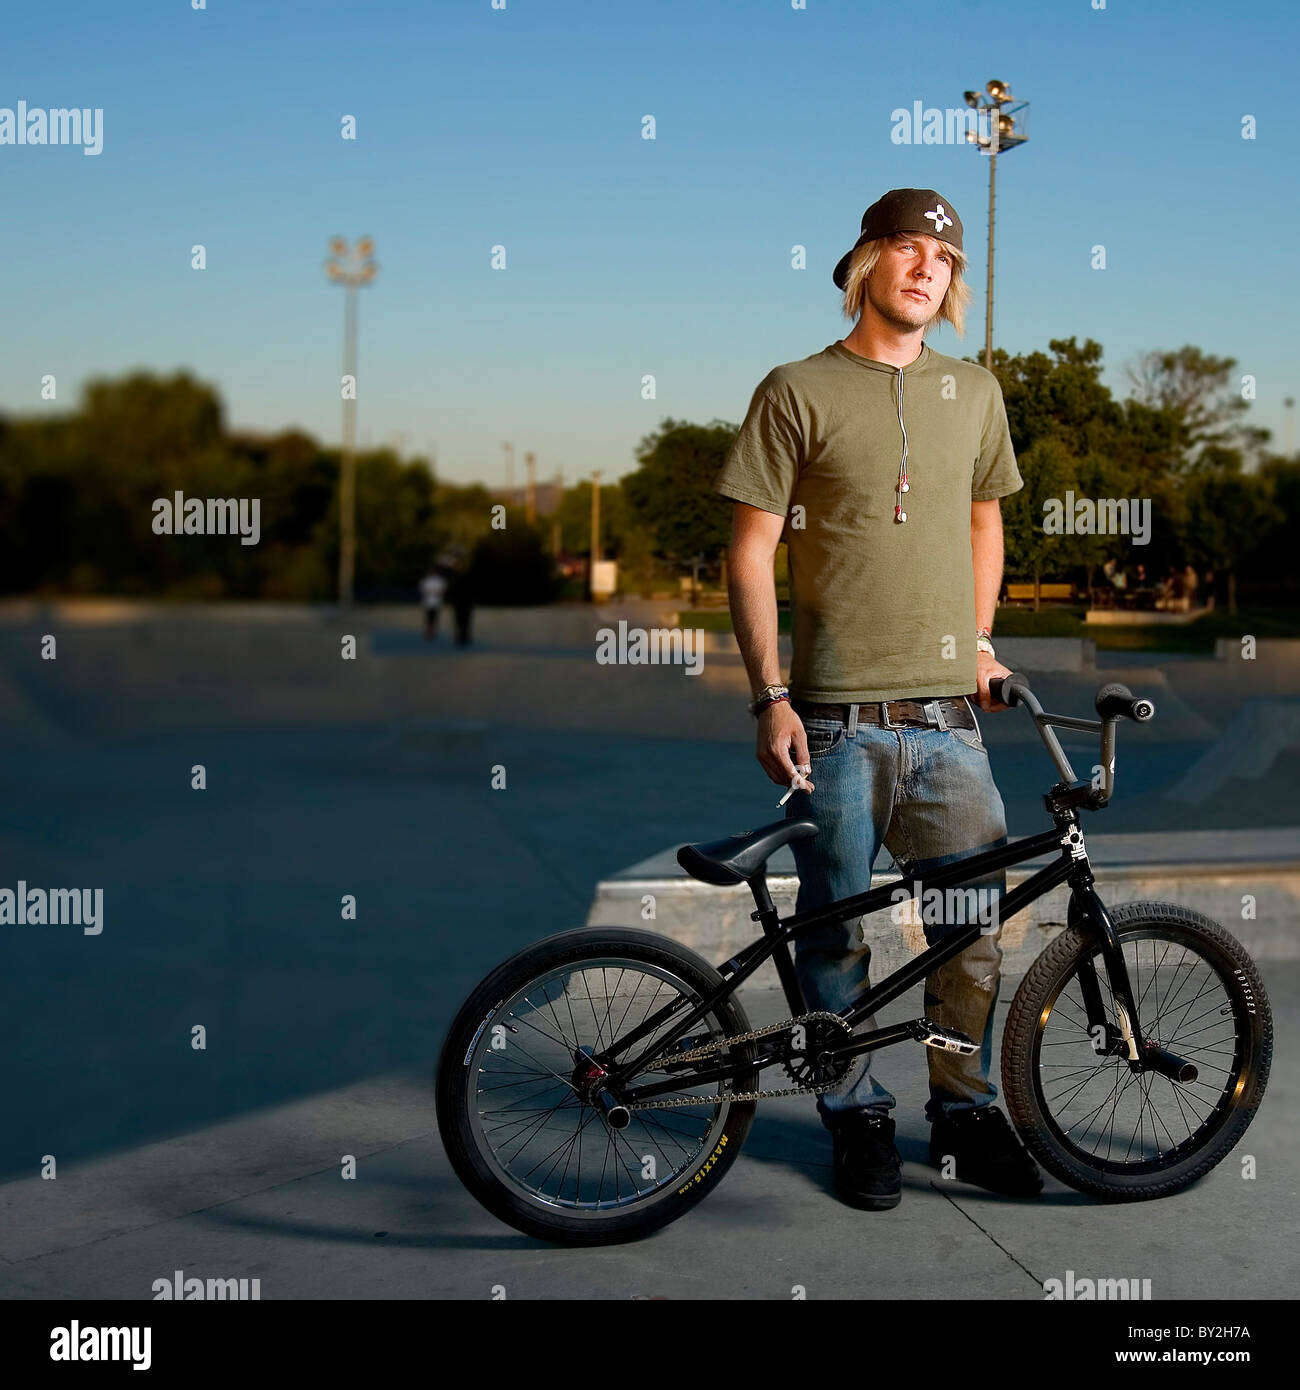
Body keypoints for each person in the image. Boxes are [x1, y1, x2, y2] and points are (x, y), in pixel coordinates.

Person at [714, 187, 1042, 1211]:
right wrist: (769, 694)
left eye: (941, 259)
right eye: (906, 250)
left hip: (948, 723)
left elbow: (987, 524)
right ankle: (853, 1114)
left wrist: (979, 640)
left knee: (969, 927)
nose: (925, 268)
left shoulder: (976, 390)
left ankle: (962, 1108)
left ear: (952, 284)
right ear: (866, 263)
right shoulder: (795, 388)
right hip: (834, 724)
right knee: (834, 932)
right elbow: (749, 548)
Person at [419, 566, 447, 640]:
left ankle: (433, 632)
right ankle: (429, 632)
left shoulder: (439, 580)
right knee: (428, 618)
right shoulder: (426, 580)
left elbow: (442, 590)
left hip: (436, 602)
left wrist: (434, 592)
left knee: (434, 618)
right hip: (428, 603)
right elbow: (423, 590)